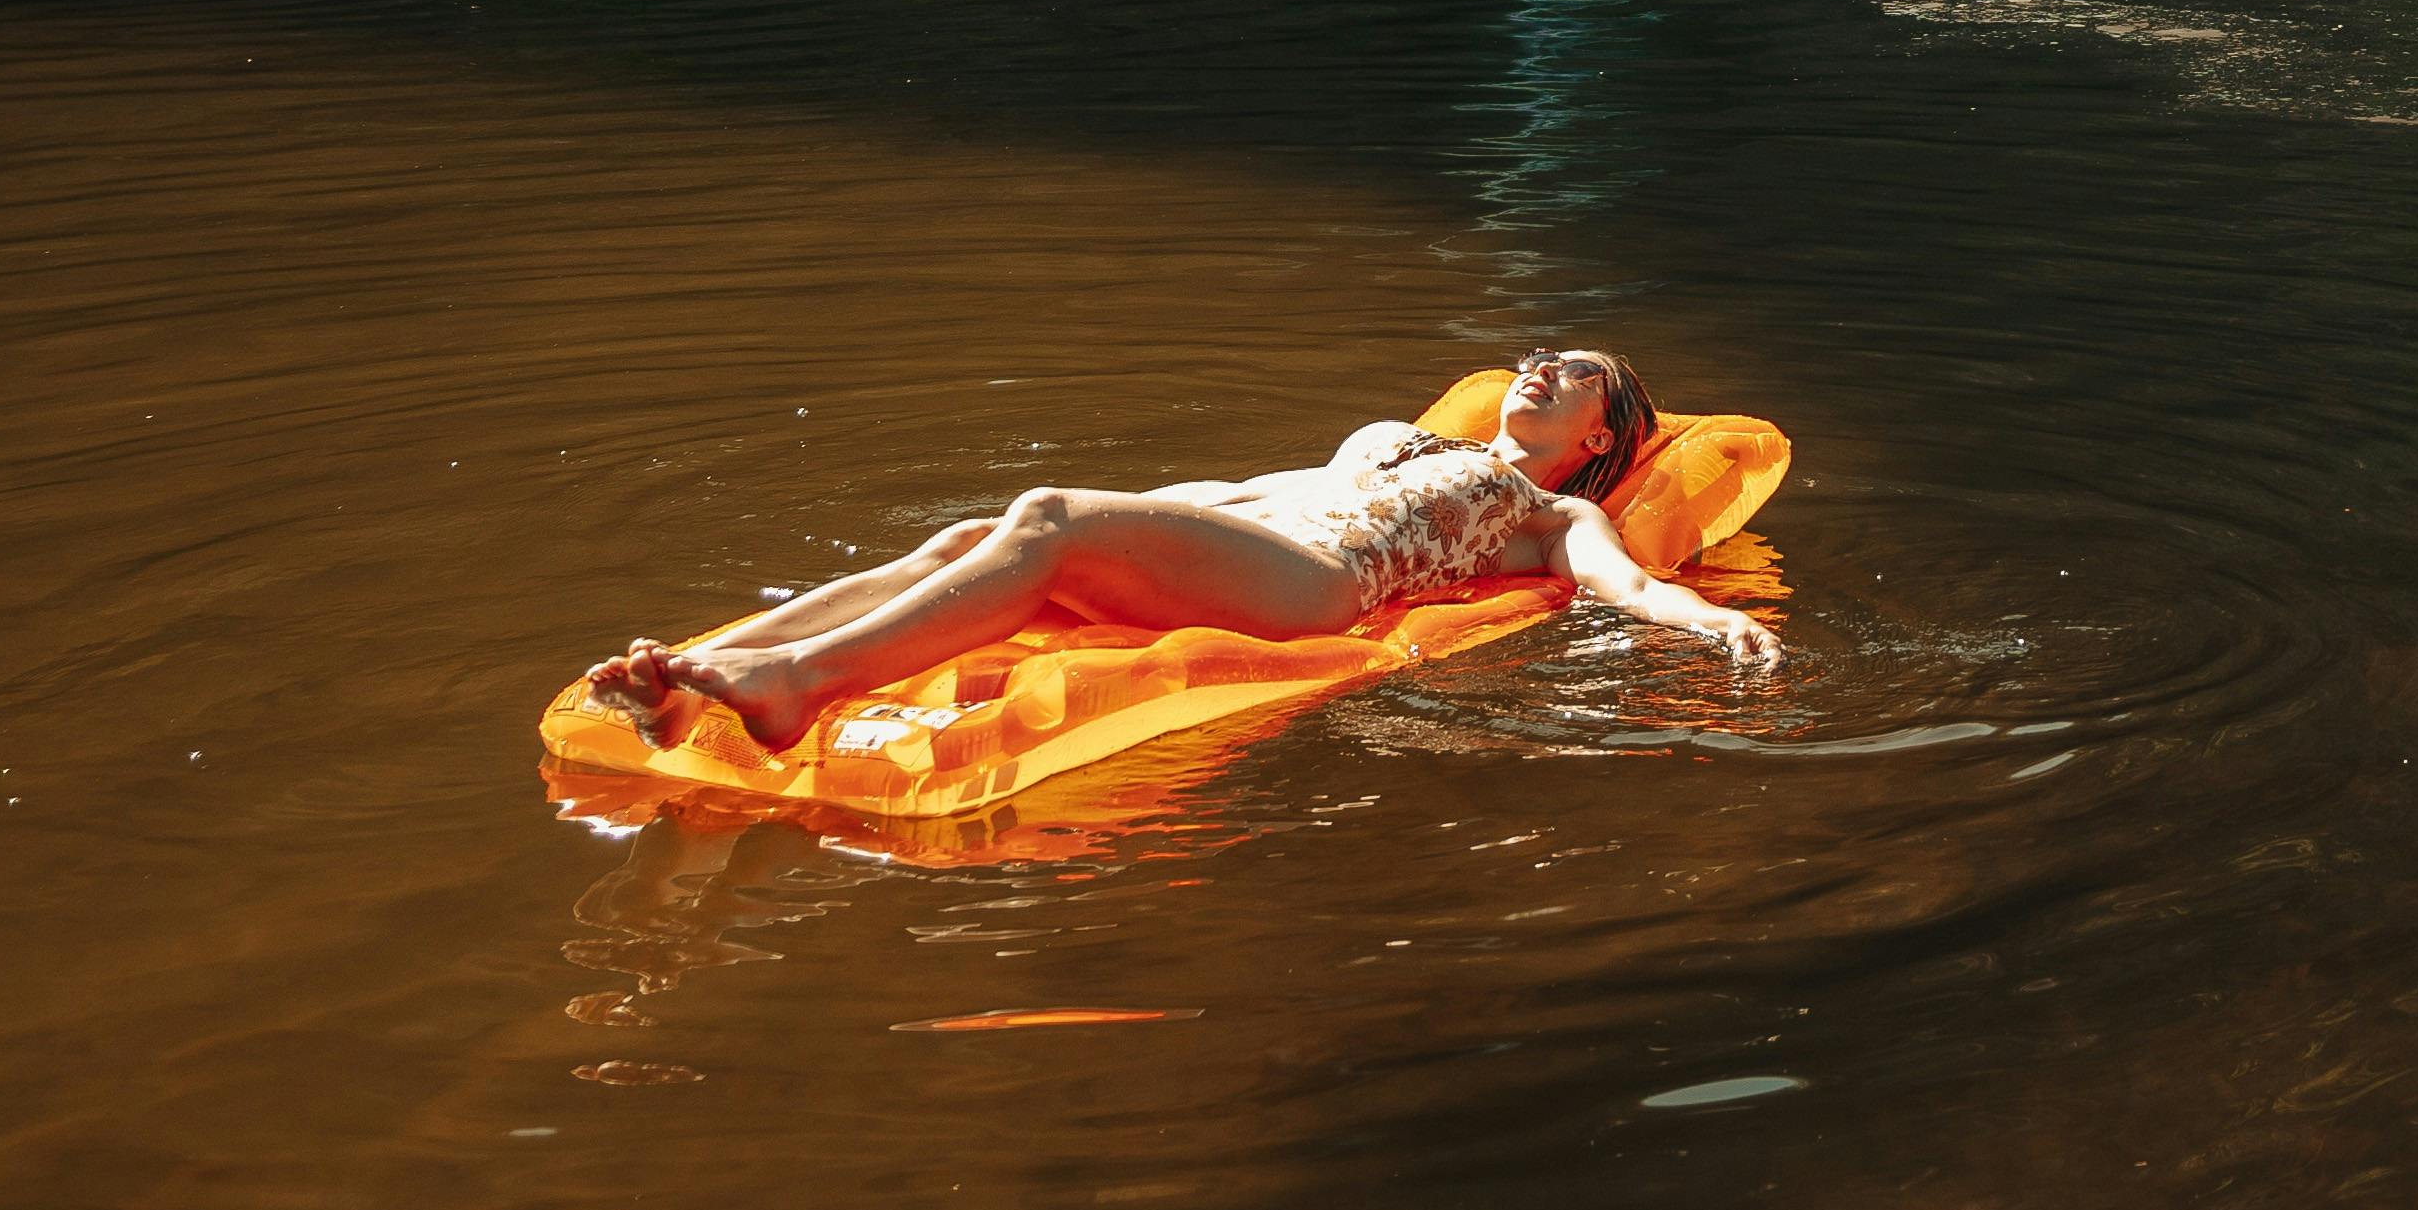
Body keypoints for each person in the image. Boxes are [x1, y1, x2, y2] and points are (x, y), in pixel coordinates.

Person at [585, 345, 1775, 754]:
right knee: (975, 532)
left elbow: (1631, 585)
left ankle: (794, 685)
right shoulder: (1416, 436)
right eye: (1542, 353)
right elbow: (1273, 489)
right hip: (1251, 535)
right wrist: (1131, 523)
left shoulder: (1551, 515)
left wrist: (1718, 619)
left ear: (1600, 435)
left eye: (1575, 373)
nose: (1542, 364)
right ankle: (693, 673)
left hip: (1315, 585)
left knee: (1049, 512)